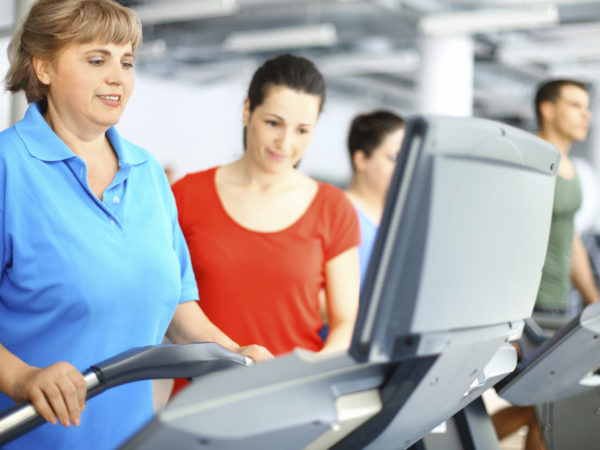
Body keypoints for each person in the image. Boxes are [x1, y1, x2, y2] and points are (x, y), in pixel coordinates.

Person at [0, 1, 271, 448]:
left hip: (131, 439)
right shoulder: (9, 168)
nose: (118, 77)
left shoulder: (146, 173)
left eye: (126, 62)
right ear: (43, 67)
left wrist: (234, 353)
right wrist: (23, 377)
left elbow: (178, 308)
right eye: (96, 59)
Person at [170, 53, 361, 395]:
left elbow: (346, 321)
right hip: (200, 397)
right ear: (247, 112)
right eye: (273, 123)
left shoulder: (333, 208)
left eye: (302, 130)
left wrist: (303, 377)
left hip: (294, 399)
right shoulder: (185, 196)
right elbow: (167, 306)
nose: (286, 144)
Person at [491, 79, 599, 450]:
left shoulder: (570, 168)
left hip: (558, 303)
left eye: (587, 106)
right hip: (527, 307)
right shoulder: (529, 160)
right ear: (547, 109)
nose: (586, 114)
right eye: (574, 105)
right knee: (541, 404)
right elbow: (505, 233)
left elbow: (570, 240)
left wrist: (592, 297)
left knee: (546, 408)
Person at [344, 110, 405, 283]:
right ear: (361, 160)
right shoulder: (338, 214)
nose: (404, 168)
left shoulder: (398, 223)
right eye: (394, 158)